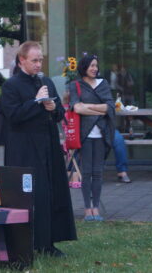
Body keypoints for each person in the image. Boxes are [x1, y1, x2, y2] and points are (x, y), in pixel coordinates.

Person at [0, 41, 76, 256]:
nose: (38, 64)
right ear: (22, 60)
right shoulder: (11, 86)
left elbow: (60, 113)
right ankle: (24, 243)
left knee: (50, 192)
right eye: (34, 60)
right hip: (24, 149)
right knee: (31, 195)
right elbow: (13, 116)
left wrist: (52, 108)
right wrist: (36, 102)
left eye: (41, 59)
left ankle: (47, 242)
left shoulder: (47, 82)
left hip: (48, 146)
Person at [68, 54, 115, 221]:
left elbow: (110, 107)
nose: (95, 68)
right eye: (92, 66)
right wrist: (99, 110)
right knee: (86, 173)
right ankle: (87, 209)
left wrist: (89, 107)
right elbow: (76, 108)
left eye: (96, 65)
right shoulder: (76, 85)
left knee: (98, 173)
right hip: (85, 135)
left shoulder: (103, 85)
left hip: (102, 134)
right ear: (84, 67)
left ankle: (96, 208)